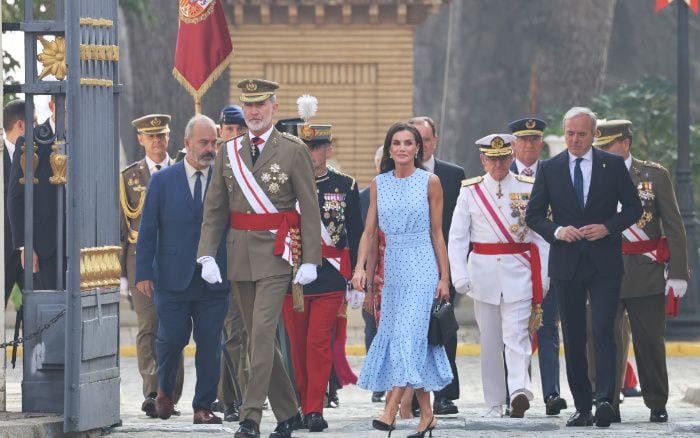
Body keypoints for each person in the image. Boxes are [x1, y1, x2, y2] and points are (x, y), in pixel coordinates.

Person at [197, 78, 322, 438]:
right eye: (248, 105)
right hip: (238, 255)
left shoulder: (293, 150)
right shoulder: (228, 151)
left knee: (262, 335)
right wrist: (206, 254)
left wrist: (310, 259)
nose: (254, 111)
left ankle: (250, 417)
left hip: (274, 253)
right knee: (258, 337)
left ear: (273, 108)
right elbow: (215, 208)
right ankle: (288, 413)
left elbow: (309, 209)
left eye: (261, 105)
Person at [525, 107, 642, 428]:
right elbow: (533, 215)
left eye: (581, 134)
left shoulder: (613, 165)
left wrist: (608, 227)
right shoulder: (551, 168)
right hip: (566, 262)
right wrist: (557, 231)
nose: (575, 140)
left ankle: (606, 400)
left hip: (604, 262)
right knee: (574, 336)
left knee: (603, 331)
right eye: (570, 134)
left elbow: (633, 208)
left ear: (593, 136)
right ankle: (582, 407)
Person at [352, 122, 453, 438]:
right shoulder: (379, 183)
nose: (403, 148)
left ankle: (389, 411)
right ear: (389, 149)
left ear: (417, 148)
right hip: (393, 269)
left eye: (409, 143)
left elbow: (438, 233)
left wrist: (445, 278)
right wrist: (360, 269)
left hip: (423, 265)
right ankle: (427, 417)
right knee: (406, 340)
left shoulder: (431, 182)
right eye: (396, 143)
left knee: (408, 335)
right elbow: (369, 232)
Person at [135, 114, 230, 424]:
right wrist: (143, 272)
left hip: (213, 280)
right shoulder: (163, 181)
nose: (210, 149)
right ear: (187, 143)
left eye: (214, 142)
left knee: (209, 344)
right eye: (203, 143)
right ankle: (164, 391)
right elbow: (148, 228)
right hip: (172, 277)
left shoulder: (224, 178)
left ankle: (203, 406)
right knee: (171, 339)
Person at [593, 119, 688, 423]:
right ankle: (607, 401)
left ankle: (657, 401)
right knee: (604, 340)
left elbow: (674, 226)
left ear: (626, 143)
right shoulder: (591, 174)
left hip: (645, 271)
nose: (603, 152)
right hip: (605, 270)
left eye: (608, 146)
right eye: (600, 148)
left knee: (649, 341)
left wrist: (678, 272)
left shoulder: (654, 176)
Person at [448, 133, 548, 419]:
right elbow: (457, 237)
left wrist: (545, 276)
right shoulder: (470, 191)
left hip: (519, 270)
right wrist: (459, 274)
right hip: (483, 274)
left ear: (511, 156)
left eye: (503, 158)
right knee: (491, 340)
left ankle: (519, 391)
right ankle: (494, 402)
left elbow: (540, 237)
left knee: (517, 335)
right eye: (492, 159)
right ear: (483, 160)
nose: (499, 164)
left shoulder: (529, 187)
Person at [276, 114, 362, 432]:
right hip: (293, 277)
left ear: (328, 148)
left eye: (317, 147)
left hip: (329, 277)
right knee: (296, 346)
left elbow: (354, 233)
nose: (311, 153)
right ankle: (300, 403)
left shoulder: (345, 185)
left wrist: (357, 276)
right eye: (305, 147)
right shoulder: (284, 186)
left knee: (317, 343)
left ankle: (315, 408)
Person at [119, 114, 184, 417]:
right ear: (140, 140)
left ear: (169, 138)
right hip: (139, 261)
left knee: (175, 328)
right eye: (151, 136)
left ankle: (170, 393)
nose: (158, 141)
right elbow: (122, 227)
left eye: (162, 135)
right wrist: (122, 274)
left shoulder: (183, 170)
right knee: (148, 326)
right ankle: (151, 391)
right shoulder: (129, 177)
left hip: (176, 259)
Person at [508, 117, 568, 416]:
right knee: (514, 332)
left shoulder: (555, 172)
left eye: (534, 139)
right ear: (513, 144)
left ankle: (552, 394)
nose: (529, 145)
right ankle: (516, 392)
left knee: (547, 329)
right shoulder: (501, 175)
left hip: (547, 261)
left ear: (541, 143)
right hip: (513, 264)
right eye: (523, 140)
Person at [409, 116, 465, 417]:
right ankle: (417, 396)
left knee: (444, 327)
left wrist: (458, 266)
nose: (421, 145)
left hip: (446, 264)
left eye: (426, 139)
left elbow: (462, 223)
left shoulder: (454, 175)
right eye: (415, 139)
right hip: (409, 263)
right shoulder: (398, 174)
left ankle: (445, 394)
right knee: (415, 330)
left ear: (435, 140)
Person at [212, 104, 250, 423]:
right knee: (233, 333)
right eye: (229, 130)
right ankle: (233, 398)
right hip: (220, 264)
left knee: (250, 333)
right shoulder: (210, 166)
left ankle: (239, 394)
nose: (234, 136)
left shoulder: (255, 166)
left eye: (240, 131)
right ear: (219, 131)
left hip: (253, 261)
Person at [8, 97, 60, 290]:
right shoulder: (30, 141)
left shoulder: (85, 140)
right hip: (43, 245)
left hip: (82, 244)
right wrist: (24, 246)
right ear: (52, 106)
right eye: (64, 107)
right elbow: (15, 197)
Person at [359, 146, 385, 404]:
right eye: (379, 161)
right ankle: (378, 380)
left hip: (395, 267)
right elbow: (360, 234)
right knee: (372, 328)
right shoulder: (362, 197)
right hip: (370, 272)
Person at [3, 100, 27, 306]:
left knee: (38, 314)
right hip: (2, 252)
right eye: (33, 122)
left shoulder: (35, 153)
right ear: (20, 124)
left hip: (31, 252)